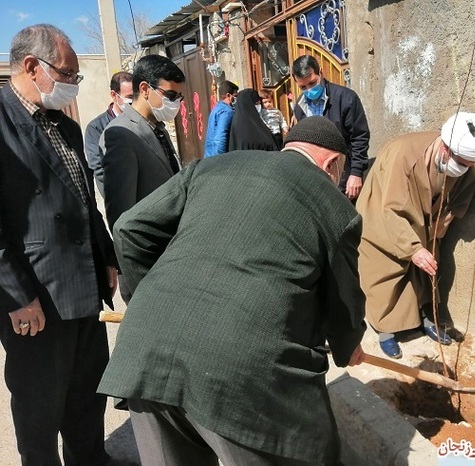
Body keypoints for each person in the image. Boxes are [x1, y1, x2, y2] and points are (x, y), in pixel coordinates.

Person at [98, 116, 367, 465]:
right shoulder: (334, 207)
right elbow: (344, 302)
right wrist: (349, 345)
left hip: (145, 351)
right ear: (331, 164)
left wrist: (151, 299)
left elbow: (129, 228)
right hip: (239, 374)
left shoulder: (212, 166)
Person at [0, 24, 118, 464]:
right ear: (33, 66)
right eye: (67, 73)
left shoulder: (63, 125)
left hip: (83, 285)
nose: (73, 83)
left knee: (87, 393)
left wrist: (105, 257)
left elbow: (85, 200)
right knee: (39, 405)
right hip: (37, 295)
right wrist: (17, 296)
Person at [356, 112, 475, 359]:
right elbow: (389, 210)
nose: (464, 169)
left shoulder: (464, 163)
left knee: (426, 268)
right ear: (446, 148)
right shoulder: (403, 156)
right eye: (460, 163)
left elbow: (459, 199)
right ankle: (385, 329)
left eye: (467, 165)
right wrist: (412, 248)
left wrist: (437, 231)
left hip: (423, 220)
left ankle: (426, 317)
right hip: (383, 213)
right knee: (385, 268)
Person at [100, 54, 184, 302]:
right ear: (145, 89)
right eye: (171, 95)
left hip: (170, 255)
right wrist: (138, 273)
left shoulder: (157, 128)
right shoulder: (122, 133)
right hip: (148, 266)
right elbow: (121, 216)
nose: (176, 103)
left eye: (179, 97)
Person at [292, 55, 370, 200]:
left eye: (312, 83)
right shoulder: (300, 107)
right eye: (303, 87)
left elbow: (359, 137)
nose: (309, 90)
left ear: (321, 73)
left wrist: (356, 173)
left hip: (344, 178)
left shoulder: (346, 98)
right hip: (317, 180)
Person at [84, 70, 133, 195]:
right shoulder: (96, 128)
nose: (133, 101)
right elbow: (99, 169)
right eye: (129, 97)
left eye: (135, 96)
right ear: (114, 95)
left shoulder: (140, 120)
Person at [204, 80, 238, 157]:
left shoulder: (217, 108)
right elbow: (220, 137)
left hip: (210, 154)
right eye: (235, 96)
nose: (236, 99)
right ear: (228, 95)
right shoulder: (226, 111)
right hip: (216, 157)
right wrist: (220, 159)